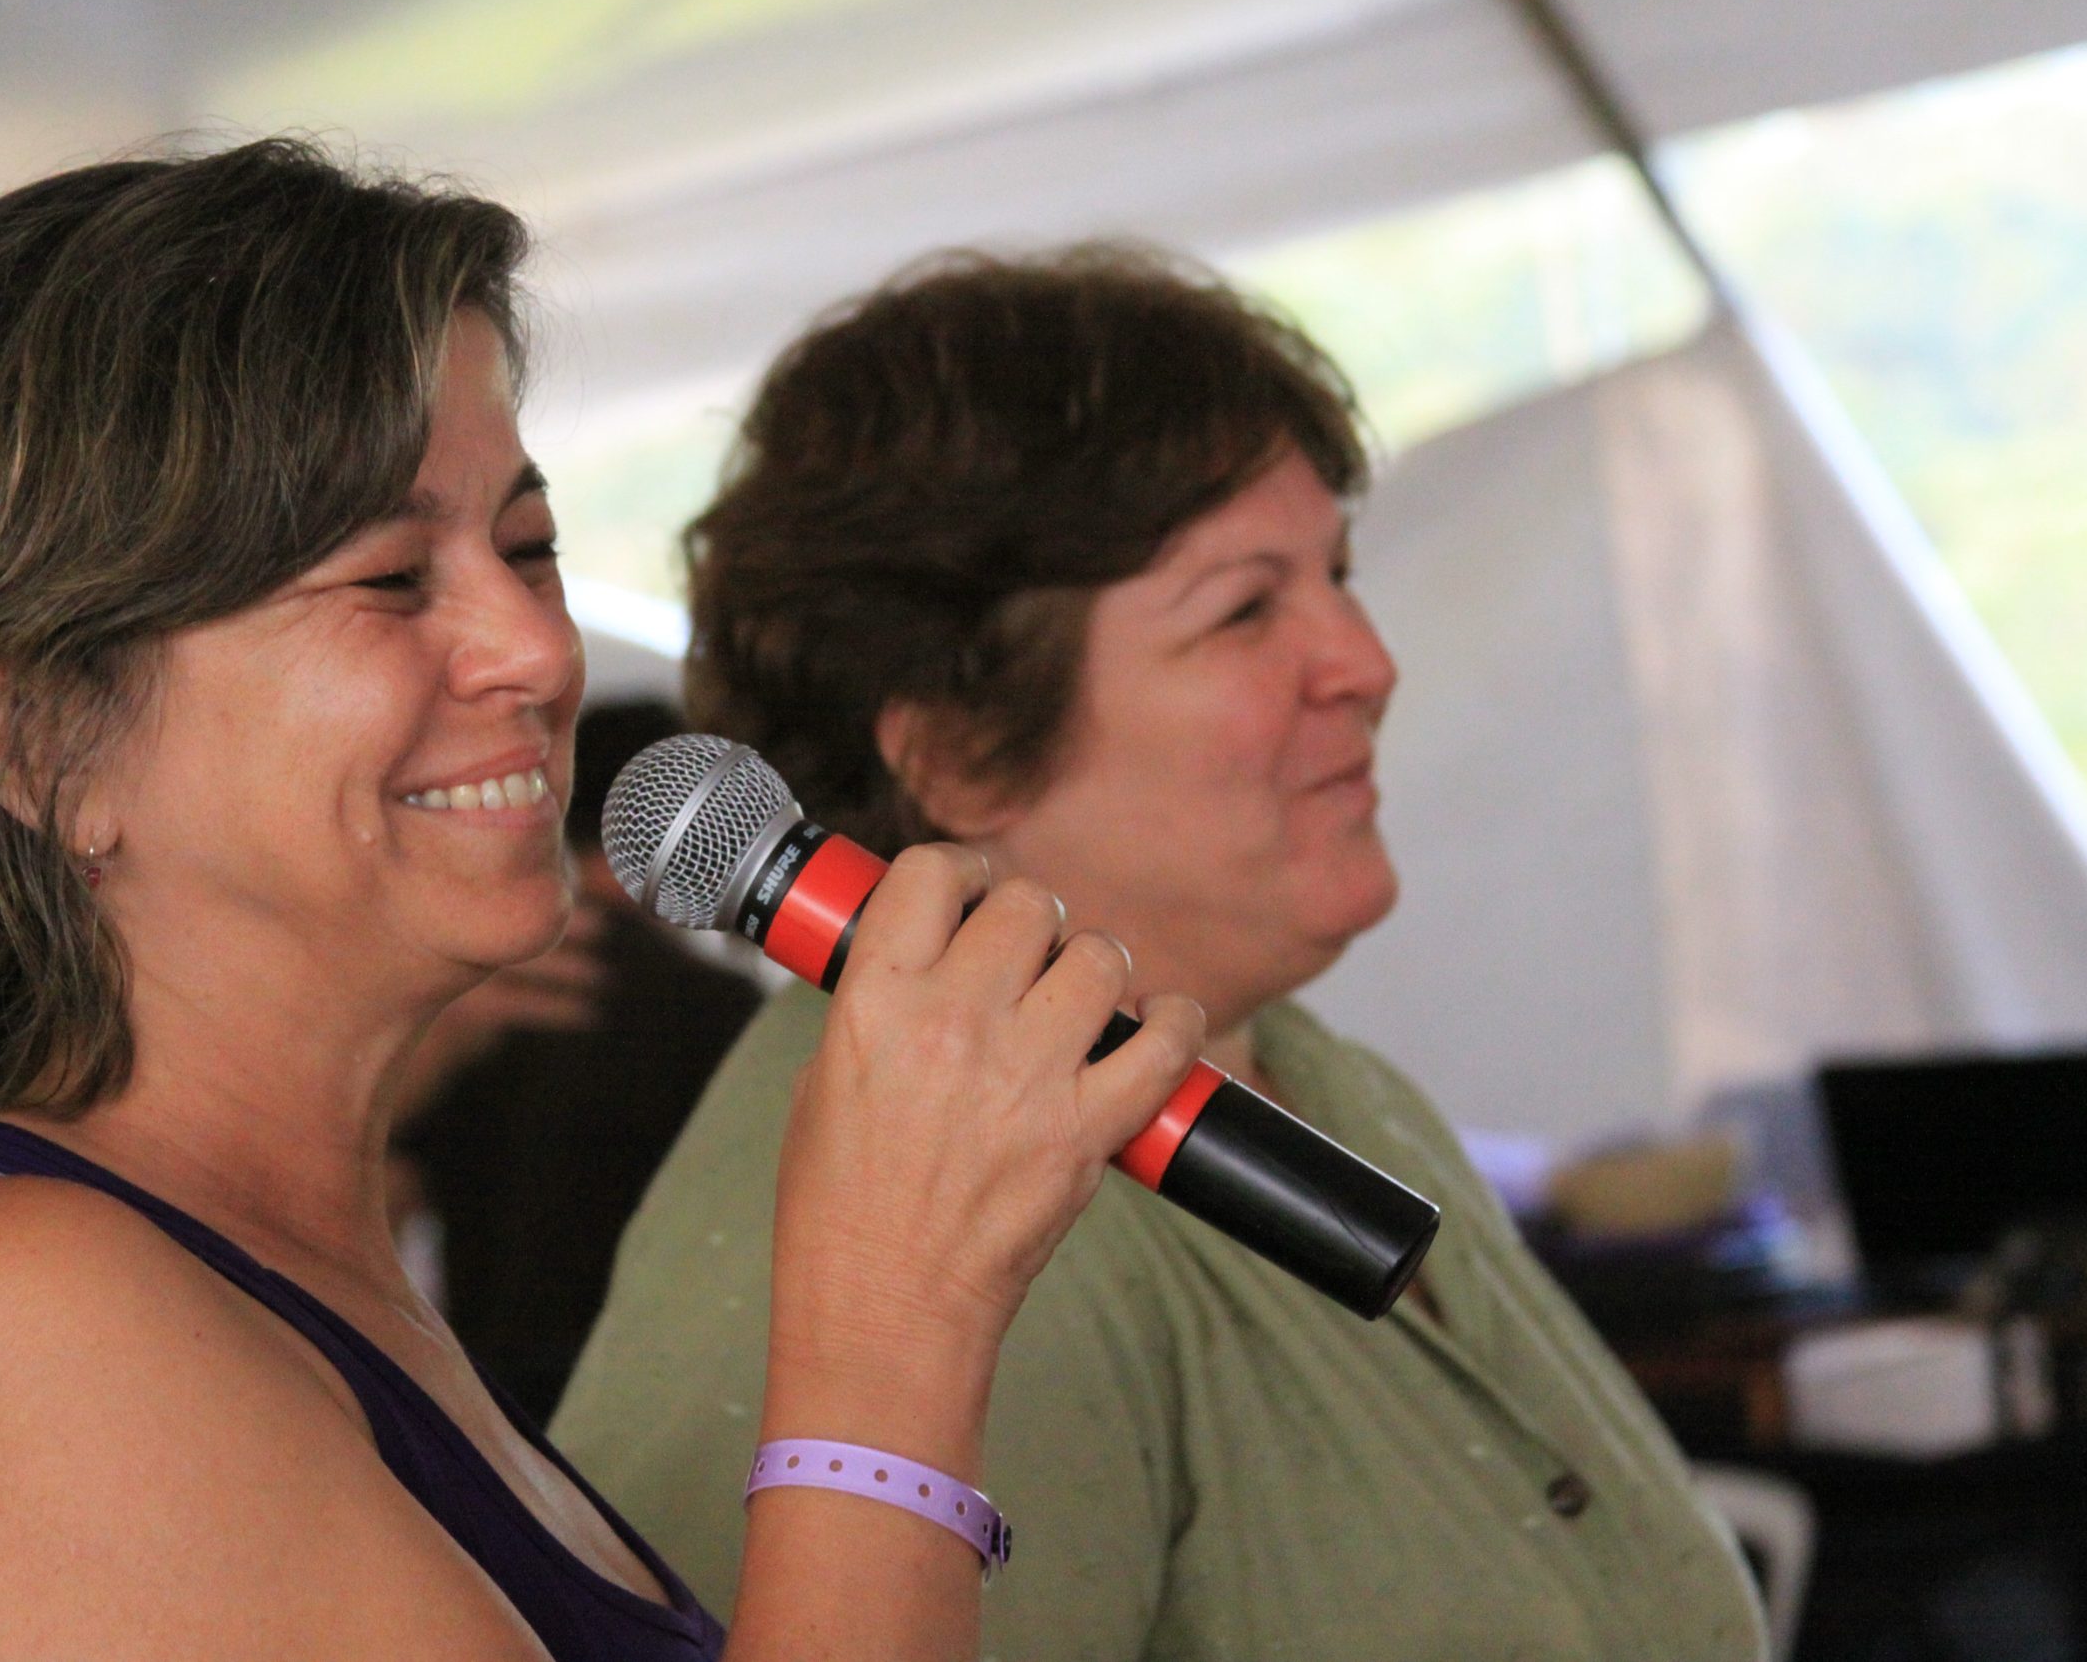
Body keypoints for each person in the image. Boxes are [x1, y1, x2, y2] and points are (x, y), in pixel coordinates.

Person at [0, 141, 1206, 1661]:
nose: (538, 649)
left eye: (531, 544)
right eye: (391, 576)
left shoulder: (296, 1277)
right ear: (43, 738)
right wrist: (891, 1314)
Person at [553, 246, 1768, 1659]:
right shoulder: (902, 1243)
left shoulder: (1322, 1078)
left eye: (1337, 574)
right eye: (1246, 608)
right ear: (960, 748)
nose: (1364, 662)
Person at [389, 697, 764, 1421]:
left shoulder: (478, 991)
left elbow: (396, 1189)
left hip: (474, 1390)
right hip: (643, 1397)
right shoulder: (716, 1008)